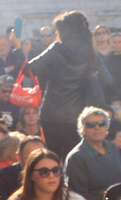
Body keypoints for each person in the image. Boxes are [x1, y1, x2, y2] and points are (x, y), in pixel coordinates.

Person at [29, 11, 114, 157]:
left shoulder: (56, 49)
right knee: (72, 158)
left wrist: (51, 71)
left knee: (52, 158)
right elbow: (108, 80)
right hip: (76, 117)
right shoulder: (90, 53)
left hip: (51, 115)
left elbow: (30, 68)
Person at [65, 106, 121, 200]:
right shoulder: (76, 157)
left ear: (107, 127)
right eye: (91, 125)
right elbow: (80, 196)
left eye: (102, 123)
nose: (97, 127)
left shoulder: (113, 147)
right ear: (83, 129)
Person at [0, 135, 45, 200]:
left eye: (40, 158)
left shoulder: (52, 173)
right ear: (19, 157)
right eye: (29, 158)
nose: (35, 163)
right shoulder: (4, 176)